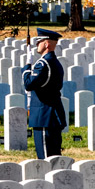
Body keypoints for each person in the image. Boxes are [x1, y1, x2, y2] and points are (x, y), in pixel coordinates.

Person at [23, 27, 66, 159]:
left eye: (39, 41)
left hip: (44, 116)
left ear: (46, 44)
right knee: (54, 156)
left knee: (46, 158)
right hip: (52, 114)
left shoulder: (43, 64)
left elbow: (28, 84)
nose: (36, 44)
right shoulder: (55, 62)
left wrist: (26, 66)